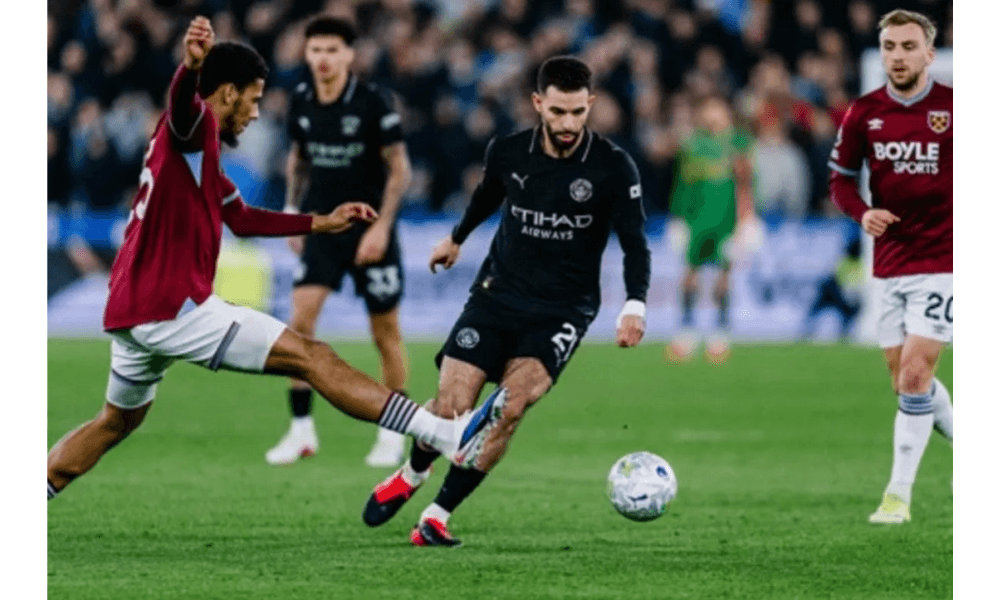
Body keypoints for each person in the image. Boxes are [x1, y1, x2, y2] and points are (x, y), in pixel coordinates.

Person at [46, 17, 500, 503]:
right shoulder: (194, 127)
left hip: (134, 309)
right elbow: (183, 106)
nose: (258, 112)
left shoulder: (197, 153)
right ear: (225, 93)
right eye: (254, 98)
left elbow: (240, 218)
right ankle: (439, 431)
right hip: (173, 306)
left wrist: (317, 222)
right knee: (312, 355)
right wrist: (187, 69)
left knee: (115, 422)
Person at [361, 56, 651, 546]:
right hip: (497, 294)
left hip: (564, 309)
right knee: (452, 408)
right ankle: (411, 475)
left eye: (578, 112)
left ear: (591, 105)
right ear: (538, 103)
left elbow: (635, 242)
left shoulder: (611, 167)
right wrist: (456, 238)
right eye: (558, 112)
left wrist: (635, 305)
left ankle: (436, 515)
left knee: (510, 408)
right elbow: (486, 196)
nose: (567, 124)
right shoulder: (510, 151)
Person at [266, 16, 414, 468]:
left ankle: (394, 433)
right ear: (306, 54)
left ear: (349, 54)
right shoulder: (302, 101)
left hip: (370, 229)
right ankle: (301, 430)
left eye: (333, 50)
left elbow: (400, 170)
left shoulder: (372, 103)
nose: (324, 58)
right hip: (324, 229)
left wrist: (382, 227)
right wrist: (294, 215)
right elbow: (298, 160)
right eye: (316, 50)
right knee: (299, 326)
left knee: (384, 332)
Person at [828, 9, 952, 524]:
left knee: (918, 373)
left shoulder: (957, 109)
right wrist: (864, 212)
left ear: (929, 51)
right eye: (890, 48)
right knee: (905, 383)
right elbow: (839, 179)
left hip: (946, 259)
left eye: (907, 46)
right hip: (890, 263)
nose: (897, 56)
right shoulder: (864, 113)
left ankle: (897, 496)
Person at [665, 96, 755, 363]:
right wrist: (677, 217)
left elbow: (748, 183)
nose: (712, 114)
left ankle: (720, 334)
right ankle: (686, 331)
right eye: (707, 109)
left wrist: (748, 217)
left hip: (727, 221)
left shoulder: (740, 143)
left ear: (727, 112)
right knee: (690, 275)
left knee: (723, 277)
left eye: (717, 108)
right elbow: (682, 183)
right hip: (695, 222)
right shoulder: (692, 145)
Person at [798, 234, 864, 342]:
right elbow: (840, 281)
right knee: (819, 311)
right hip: (833, 291)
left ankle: (844, 334)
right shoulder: (848, 263)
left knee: (843, 314)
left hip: (838, 292)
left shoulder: (851, 262)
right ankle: (806, 332)